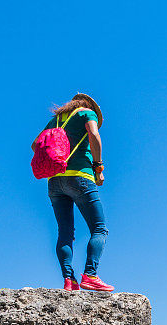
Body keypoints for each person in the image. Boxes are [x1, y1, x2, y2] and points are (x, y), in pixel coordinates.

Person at [32, 93, 113, 292]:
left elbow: (35, 145)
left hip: (55, 181)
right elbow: (94, 135)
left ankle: (70, 280)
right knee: (99, 229)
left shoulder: (55, 120)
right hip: (80, 177)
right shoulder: (87, 113)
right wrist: (98, 168)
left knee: (65, 233)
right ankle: (91, 275)